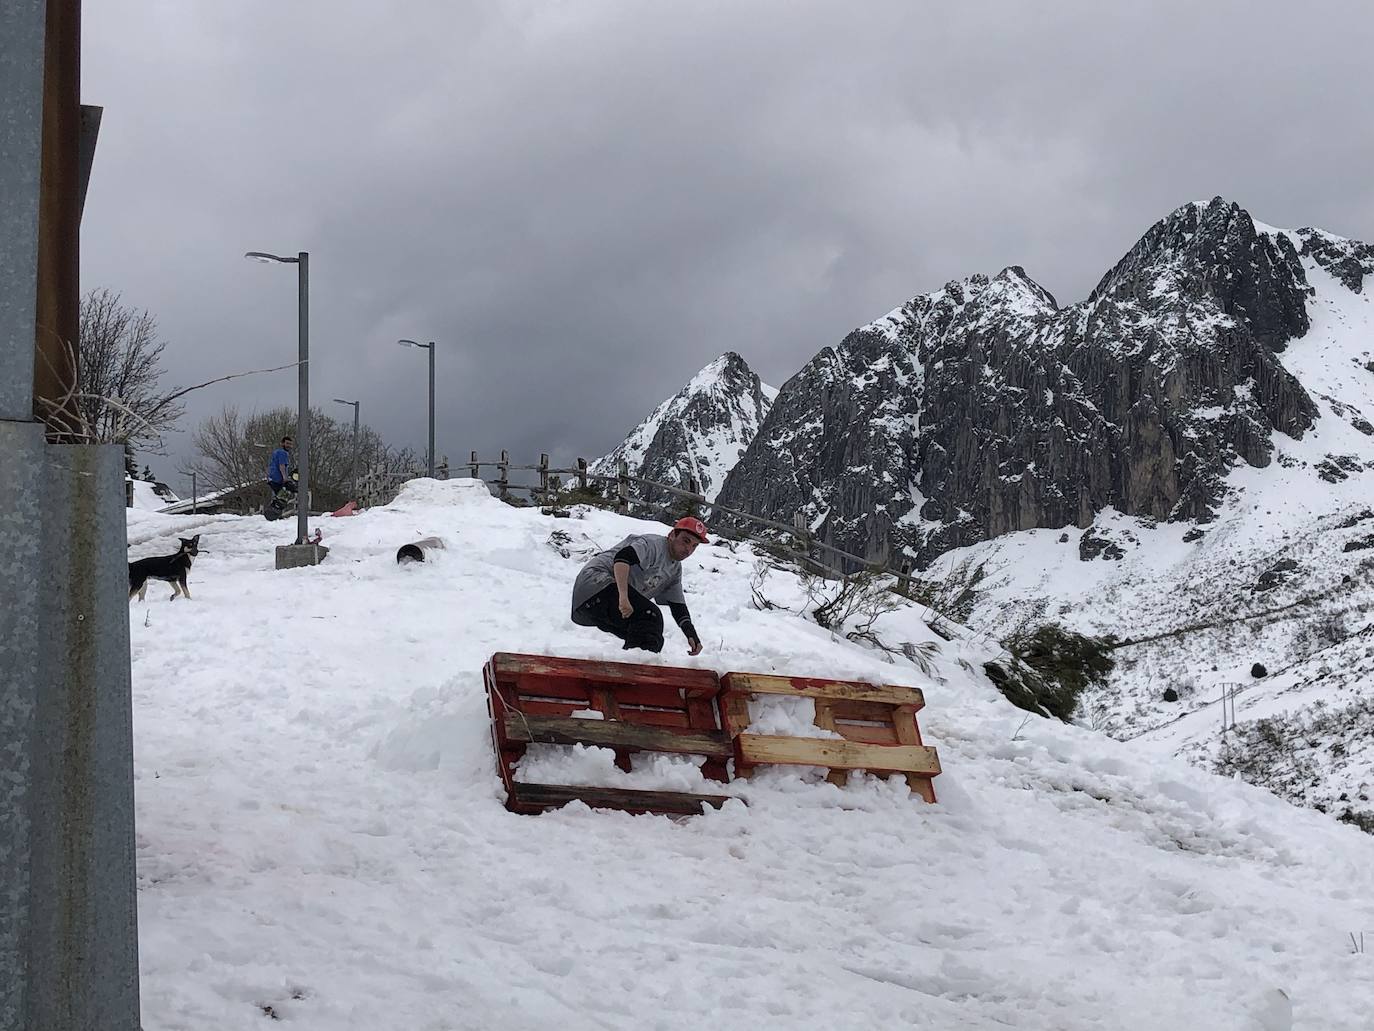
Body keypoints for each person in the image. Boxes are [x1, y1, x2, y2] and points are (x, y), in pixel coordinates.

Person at [571, 517, 709, 655]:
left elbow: (678, 606)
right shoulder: (653, 545)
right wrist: (623, 597)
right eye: (686, 541)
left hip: (587, 607)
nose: (688, 550)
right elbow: (622, 559)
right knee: (650, 616)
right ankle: (637, 670)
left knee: (646, 633)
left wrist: (691, 634)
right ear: (672, 535)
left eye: (694, 546)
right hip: (595, 582)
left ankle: (632, 667)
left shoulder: (674, 569)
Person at [266, 435, 297, 512]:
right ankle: (275, 512)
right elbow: (282, 466)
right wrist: (285, 478)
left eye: (290, 444)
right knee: (284, 494)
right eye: (287, 443)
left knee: (278, 495)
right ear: (282, 443)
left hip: (271, 478)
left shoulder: (276, 452)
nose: (289, 446)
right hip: (277, 478)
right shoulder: (283, 453)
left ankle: (274, 510)